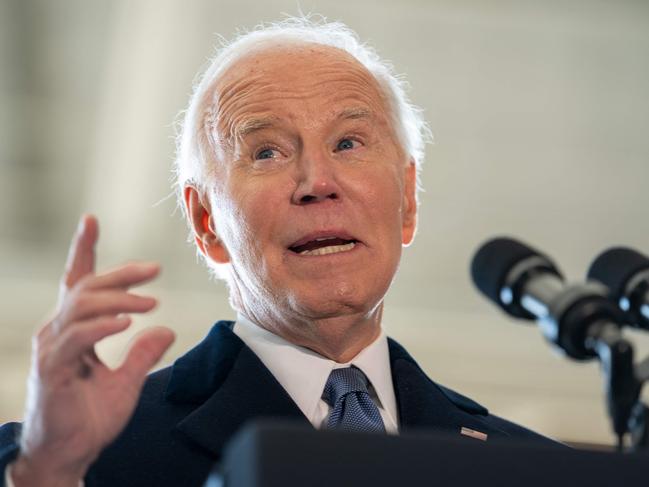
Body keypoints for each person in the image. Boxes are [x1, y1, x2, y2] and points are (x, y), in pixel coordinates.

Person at [0, 17, 557, 487]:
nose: (317, 181)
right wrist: (51, 470)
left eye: (348, 143)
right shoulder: (81, 455)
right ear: (206, 222)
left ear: (407, 200)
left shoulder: (528, 466)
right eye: (266, 151)